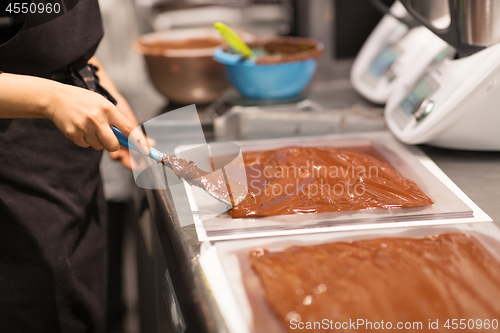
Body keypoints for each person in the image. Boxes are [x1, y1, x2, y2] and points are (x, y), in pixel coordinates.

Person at [0, 0, 149, 331]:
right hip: (14, 184)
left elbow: (61, 40)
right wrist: (51, 99)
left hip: (73, 177)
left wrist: (102, 86)